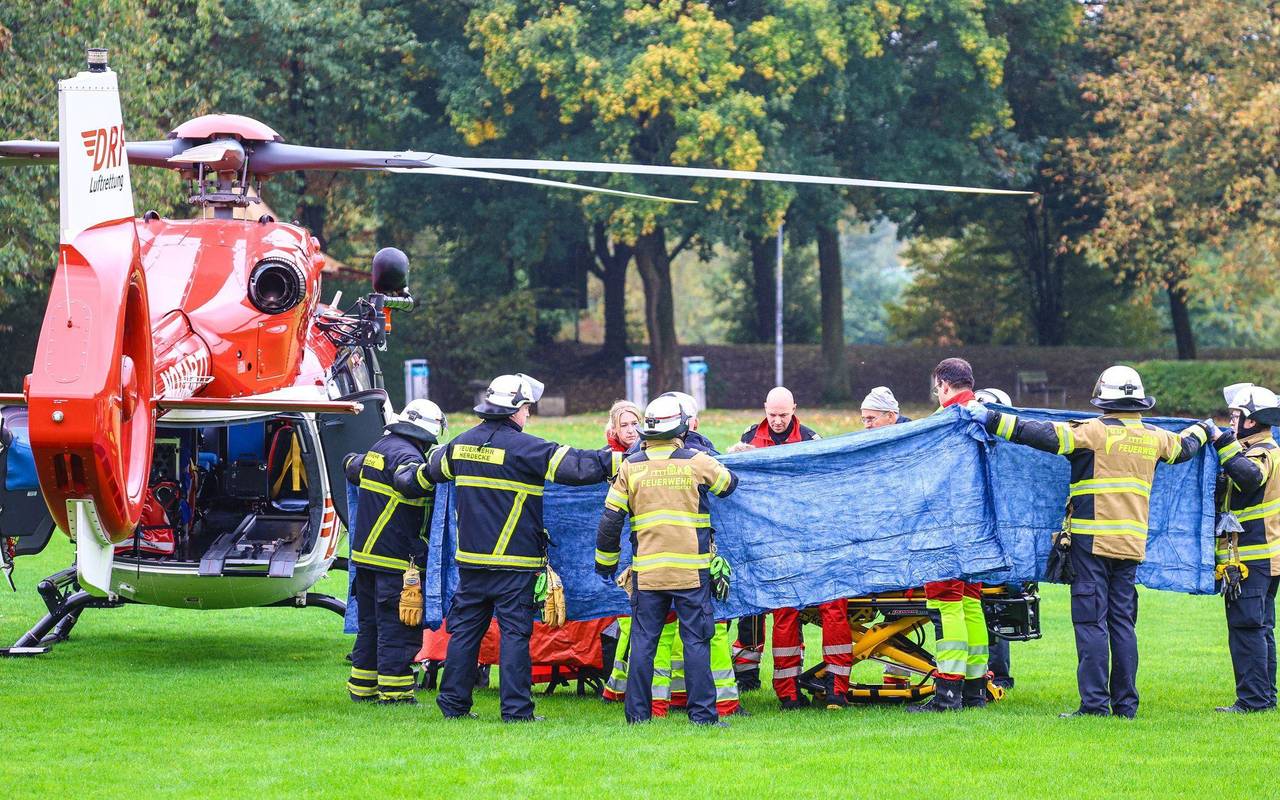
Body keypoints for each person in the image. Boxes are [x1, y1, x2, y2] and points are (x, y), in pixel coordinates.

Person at [973, 364, 1210, 718]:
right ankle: (1126, 706)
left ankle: (1095, 705)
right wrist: (1202, 429)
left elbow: (1037, 433)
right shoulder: (1156, 438)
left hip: (1091, 543)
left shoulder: (1093, 432)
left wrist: (990, 419)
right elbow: (1187, 447)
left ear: (1103, 400)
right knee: (1122, 624)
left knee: (1090, 623)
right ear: (1139, 403)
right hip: (1132, 544)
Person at [420, 373, 614, 722]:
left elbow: (426, 473)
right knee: (514, 636)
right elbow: (581, 468)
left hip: (471, 562)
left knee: (464, 634)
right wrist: (625, 460)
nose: (528, 415)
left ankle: (453, 705)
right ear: (516, 409)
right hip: (515, 563)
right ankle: (516, 711)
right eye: (527, 408)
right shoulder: (528, 448)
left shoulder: (460, 444)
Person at [595, 394, 739, 726]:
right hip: (691, 573)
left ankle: (637, 716)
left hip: (648, 574)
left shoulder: (631, 466)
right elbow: (729, 485)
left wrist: (605, 564)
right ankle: (703, 716)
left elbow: (610, 519)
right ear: (682, 428)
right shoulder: (697, 460)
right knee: (696, 642)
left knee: (644, 642)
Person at [730, 387, 852, 709]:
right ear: (764, 409)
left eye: (784, 415)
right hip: (771, 542)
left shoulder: (812, 441)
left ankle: (837, 687)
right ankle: (788, 693)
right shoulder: (749, 437)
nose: (778, 421)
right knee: (783, 612)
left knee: (834, 607)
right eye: (773, 415)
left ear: (794, 409)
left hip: (809, 540)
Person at [343, 400, 446, 705]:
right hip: (394, 561)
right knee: (397, 630)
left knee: (371, 626)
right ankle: (397, 693)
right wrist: (434, 471)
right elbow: (407, 480)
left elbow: (350, 465)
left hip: (365, 559)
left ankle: (362, 688)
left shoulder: (380, 447)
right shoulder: (405, 454)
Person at [905, 358, 992, 712]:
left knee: (946, 603)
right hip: (981, 528)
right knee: (972, 603)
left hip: (945, 527)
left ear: (942, 384)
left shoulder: (942, 423)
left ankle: (947, 695)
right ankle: (975, 691)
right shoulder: (989, 415)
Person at [1208, 383, 1280, 713]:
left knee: (1247, 628)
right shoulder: (1265, 448)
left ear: (1251, 421)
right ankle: (1264, 698)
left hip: (1251, 559)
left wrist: (1221, 442)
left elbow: (1249, 478)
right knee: (1260, 628)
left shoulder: (1261, 452)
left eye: (1235, 416)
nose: (1230, 421)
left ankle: (1253, 701)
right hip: (1262, 559)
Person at [973, 387, 1016, 691]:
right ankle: (992, 674)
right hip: (986, 542)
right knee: (986, 607)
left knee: (993, 608)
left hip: (998, 546)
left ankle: (996, 674)